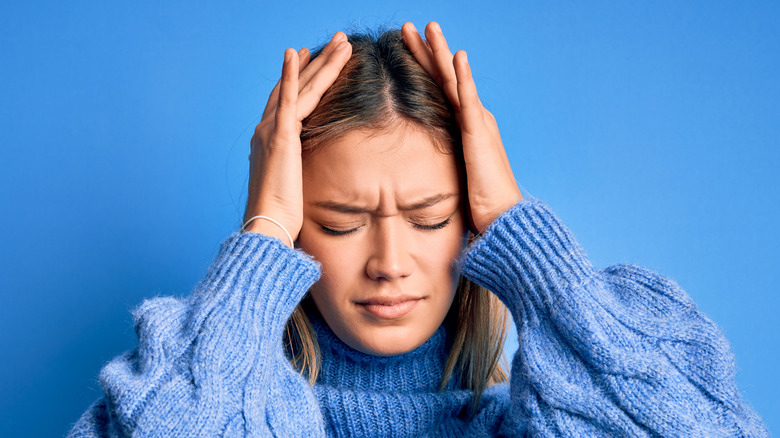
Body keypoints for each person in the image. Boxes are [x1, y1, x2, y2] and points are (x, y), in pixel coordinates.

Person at [67, 22, 768, 437]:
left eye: (430, 218)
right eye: (341, 224)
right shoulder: (166, 404)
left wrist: (530, 249)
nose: (389, 262)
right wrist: (263, 231)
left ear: (469, 228)